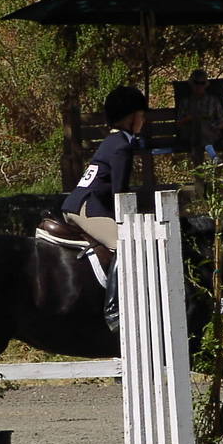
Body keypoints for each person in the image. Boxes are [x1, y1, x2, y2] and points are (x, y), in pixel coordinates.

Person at [61, 85, 148, 332]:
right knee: (125, 243)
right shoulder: (122, 146)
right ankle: (113, 310)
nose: (144, 120)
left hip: (80, 203)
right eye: (142, 115)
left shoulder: (112, 141)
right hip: (87, 208)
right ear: (131, 117)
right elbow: (120, 193)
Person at [177, 69, 223, 166]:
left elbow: (222, 122)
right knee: (198, 126)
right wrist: (190, 118)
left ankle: (199, 172)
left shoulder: (213, 101)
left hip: (211, 133)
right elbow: (179, 122)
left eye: (202, 83)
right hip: (190, 134)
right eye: (196, 83)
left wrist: (211, 126)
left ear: (206, 85)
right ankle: (213, 156)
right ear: (192, 84)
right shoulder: (185, 102)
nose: (199, 86)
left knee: (202, 127)